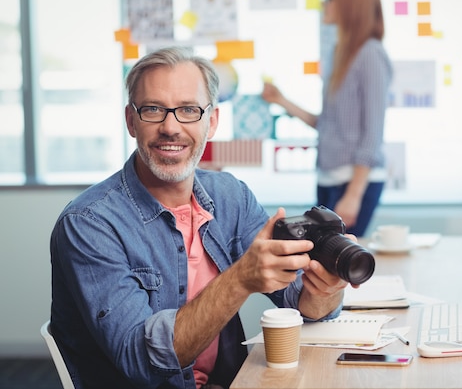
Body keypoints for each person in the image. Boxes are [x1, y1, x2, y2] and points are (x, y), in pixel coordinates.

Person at [49, 46, 348, 389]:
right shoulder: (89, 223)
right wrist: (239, 280)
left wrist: (325, 289)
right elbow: (140, 360)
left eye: (189, 110)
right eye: (153, 110)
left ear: (213, 122)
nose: (170, 127)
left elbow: (297, 299)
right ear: (131, 121)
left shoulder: (230, 196)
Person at [262, 0, 392, 238]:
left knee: (335, 264)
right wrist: (281, 100)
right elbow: (328, 125)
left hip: (353, 183)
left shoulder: (371, 54)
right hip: (328, 178)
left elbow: (373, 132)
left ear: (350, 3)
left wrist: (354, 194)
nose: (325, 4)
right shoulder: (339, 54)